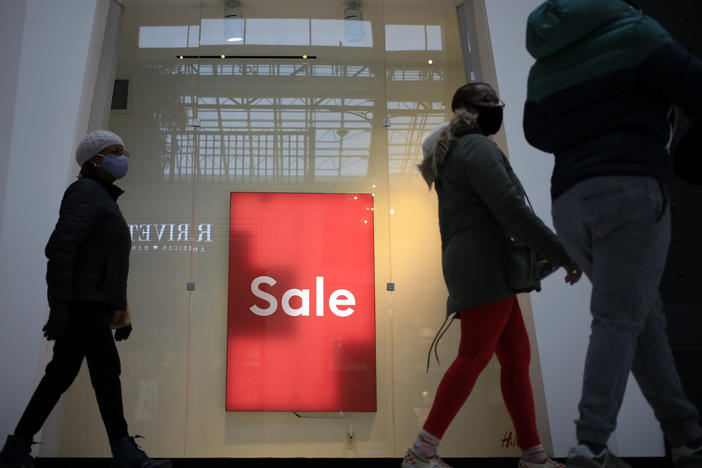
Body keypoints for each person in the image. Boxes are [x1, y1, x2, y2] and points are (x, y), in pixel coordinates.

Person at [523, 0, 702, 467]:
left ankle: (686, 437)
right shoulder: (637, 33)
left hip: (569, 202)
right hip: (630, 188)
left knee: (640, 318)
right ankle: (591, 445)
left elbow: (535, 131)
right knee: (618, 318)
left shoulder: (544, 65)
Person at [403, 82, 581, 468]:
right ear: (464, 108)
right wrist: (562, 253)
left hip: (477, 262)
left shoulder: (451, 153)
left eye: (495, 100)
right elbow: (511, 209)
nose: (495, 106)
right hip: (486, 263)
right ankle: (421, 451)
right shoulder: (476, 148)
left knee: (516, 357)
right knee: (473, 355)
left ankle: (533, 454)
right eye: (487, 102)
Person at [0, 131, 171, 468]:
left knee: (61, 372)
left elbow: (108, 262)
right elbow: (61, 249)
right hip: (83, 302)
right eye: (115, 151)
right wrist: (60, 308)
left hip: (92, 301)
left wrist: (122, 310)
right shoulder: (86, 193)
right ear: (95, 158)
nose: (124, 157)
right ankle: (122, 451)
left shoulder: (103, 198)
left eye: (124, 149)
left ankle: (17, 446)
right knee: (106, 370)